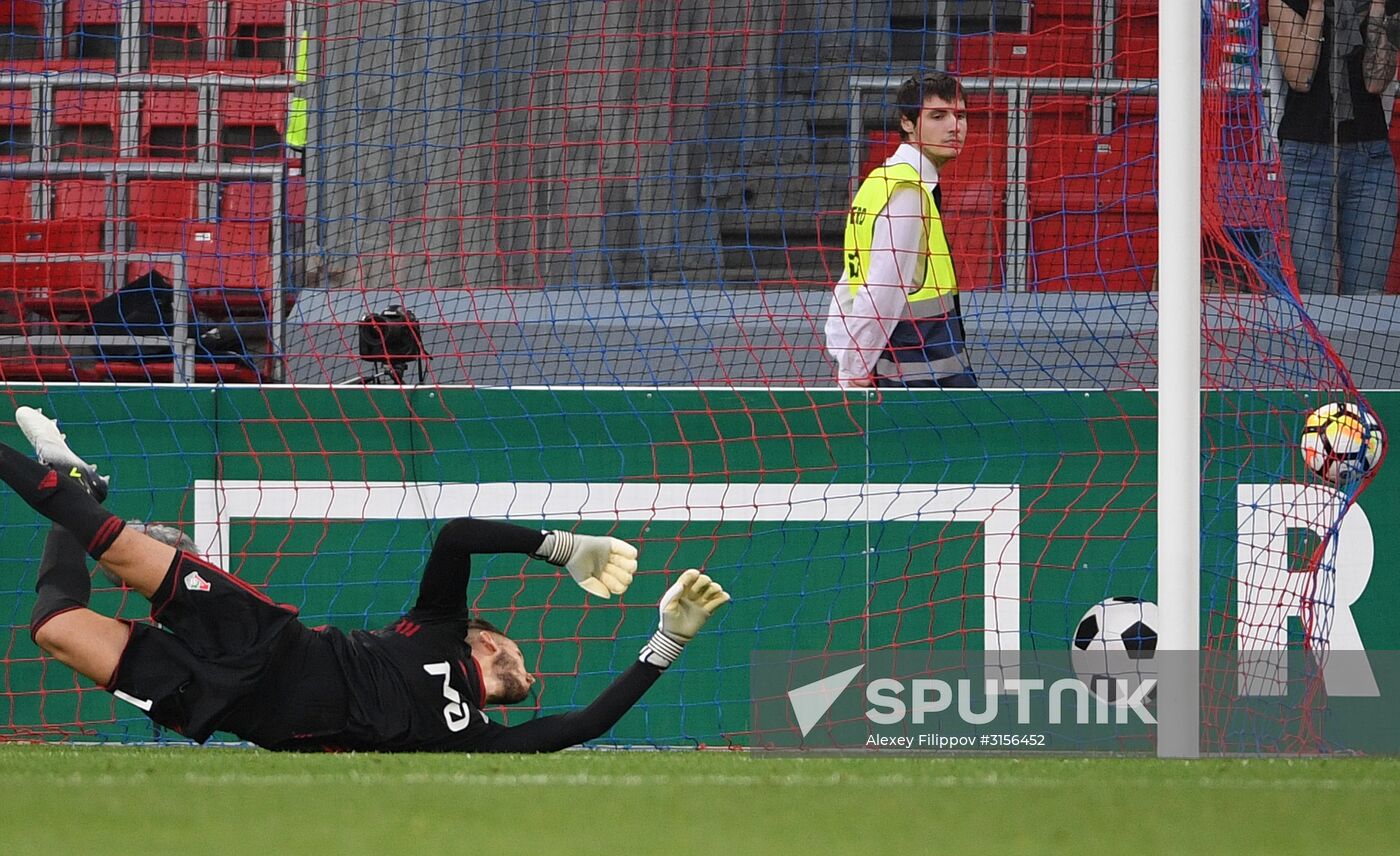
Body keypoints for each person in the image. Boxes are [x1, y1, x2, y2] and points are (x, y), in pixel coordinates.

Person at [7, 406, 729, 752]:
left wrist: (666, 640)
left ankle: (75, 481)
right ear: (485, 637)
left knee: (54, 629)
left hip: (232, 710)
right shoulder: (438, 628)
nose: (525, 667)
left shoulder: (470, 736)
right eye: (516, 652)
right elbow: (458, 538)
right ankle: (75, 483)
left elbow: (584, 725)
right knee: (114, 548)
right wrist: (561, 547)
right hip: (270, 644)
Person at [824, 70, 977, 388]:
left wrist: (845, 355)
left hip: (909, 377)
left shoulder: (882, 180)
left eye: (960, 116)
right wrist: (854, 367)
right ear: (907, 123)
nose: (954, 127)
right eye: (938, 116)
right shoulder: (907, 190)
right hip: (916, 386)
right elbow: (880, 291)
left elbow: (851, 280)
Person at [1270, 0, 1400, 294]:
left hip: (1370, 160)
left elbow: (1377, 80)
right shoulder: (1288, 1)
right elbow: (1300, 77)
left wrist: (1379, 8)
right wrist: (1318, 5)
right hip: (1306, 160)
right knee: (1315, 293)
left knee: (1368, 299)